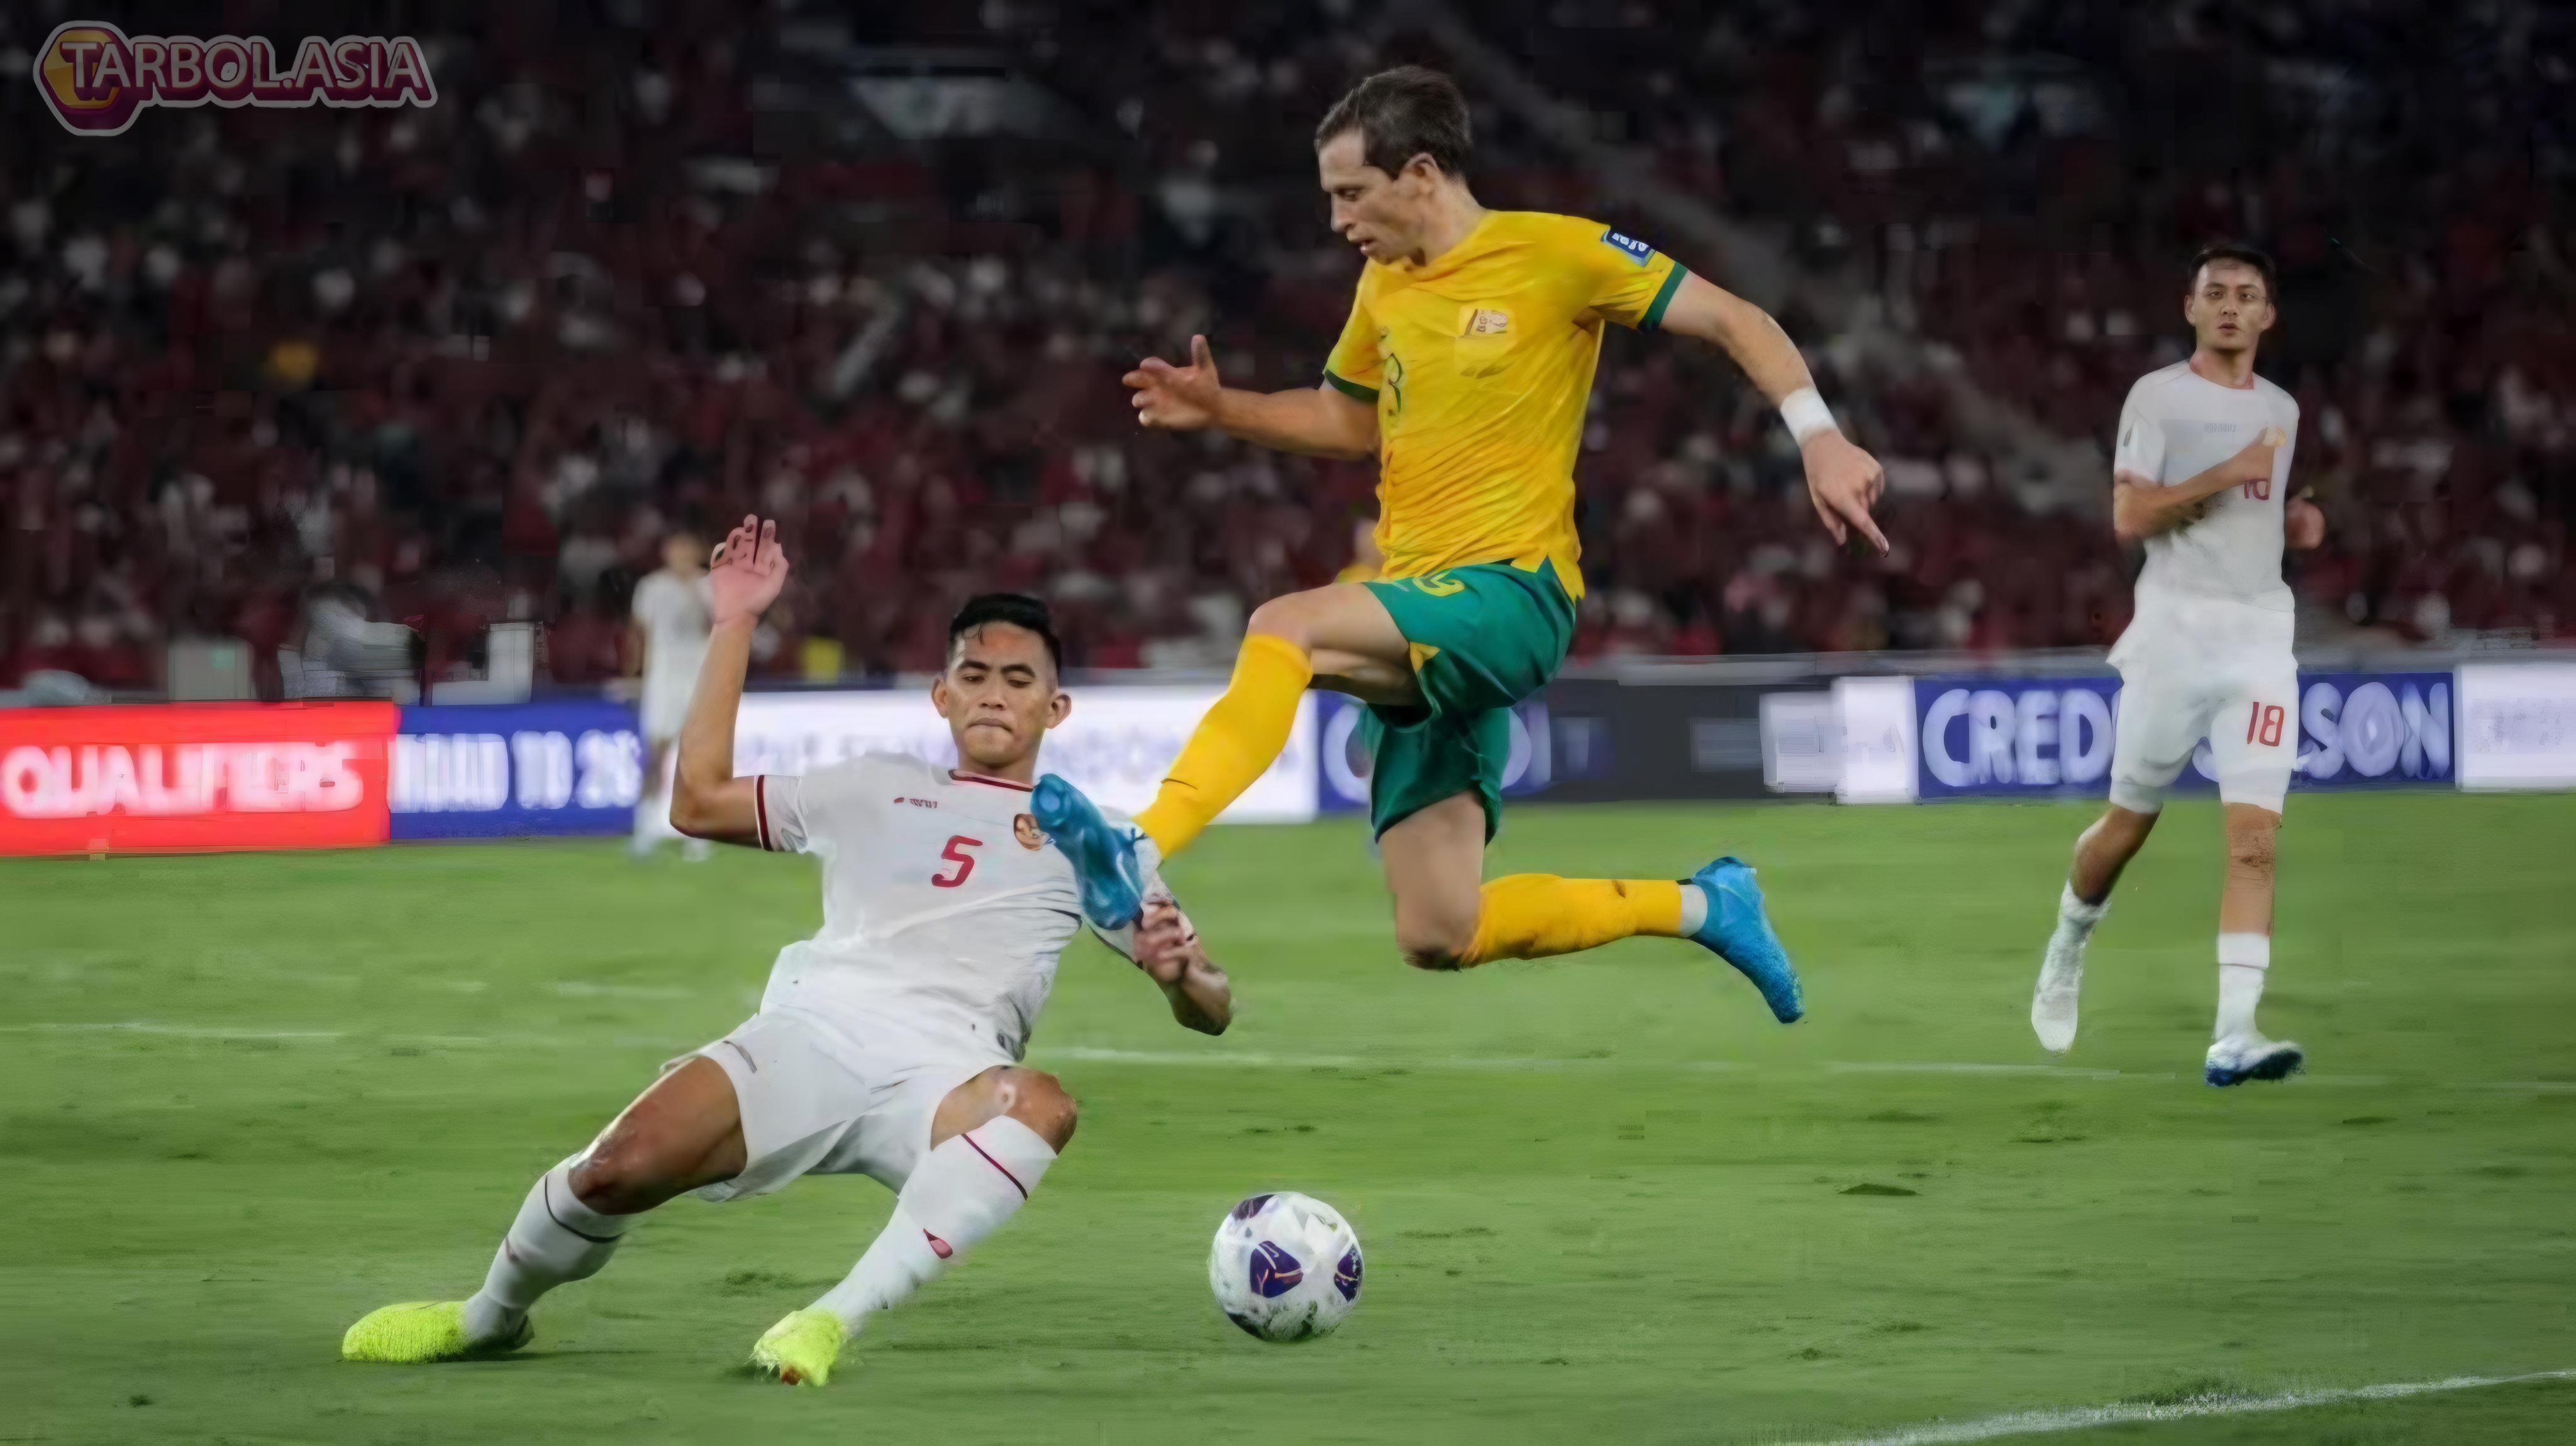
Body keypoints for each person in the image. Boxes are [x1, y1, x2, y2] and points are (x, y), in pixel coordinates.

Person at [1035, 67, 1887, 1015]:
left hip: (1511, 599)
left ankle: (1139, 844)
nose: (1338, 221)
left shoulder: (1557, 255)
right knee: (1441, 931)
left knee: (1288, 624)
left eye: (1351, 194)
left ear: (1423, 174)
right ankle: (1705, 905)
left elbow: (1737, 318)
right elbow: (1345, 419)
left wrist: (1820, 436)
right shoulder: (1385, 287)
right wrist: (1221, 408)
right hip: (1430, 618)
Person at [341, 517, 1231, 1386]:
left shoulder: (1099, 842)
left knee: (1040, 1105)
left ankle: (825, 1322)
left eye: (1018, 679)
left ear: (1056, 705)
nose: (995, 693)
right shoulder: (872, 786)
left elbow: (1212, 1011)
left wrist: (1181, 972)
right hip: (814, 1033)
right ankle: (487, 1318)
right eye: (975, 674)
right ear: (943, 693)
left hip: (948, 1073)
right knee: (616, 1172)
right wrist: (735, 621)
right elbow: (695, 801)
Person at [2029, 243, 2329, 1086]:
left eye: (2248, 295)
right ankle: (2068, 944)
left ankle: (2235, 1032)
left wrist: (2299, 525)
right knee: (2128, 825)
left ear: (2269, 316)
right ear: (2191, 308)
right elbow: (2131, 513)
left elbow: (2264, 514)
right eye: (2217, 294)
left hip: (2261, 646)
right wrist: (2226, 473)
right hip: (2173, 639)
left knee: (2256, 843)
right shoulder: (2158, 399)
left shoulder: (2283, 408)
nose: (2232, 306)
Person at [627, 527, 713, 860]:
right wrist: (634, 675)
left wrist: (694, 592)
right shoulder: (651, 588)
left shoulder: (710, 587)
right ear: (666, 553)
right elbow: (639, 633)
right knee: (655, 755)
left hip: (699, 682)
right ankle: (646, 828)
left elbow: (719, 628)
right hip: (663, 680)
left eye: (687, 551)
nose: (681, 558)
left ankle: (698, 833)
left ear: (696, 554)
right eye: (675, 551)